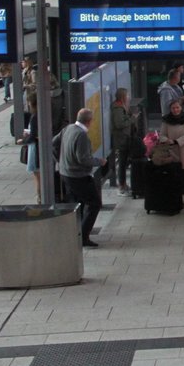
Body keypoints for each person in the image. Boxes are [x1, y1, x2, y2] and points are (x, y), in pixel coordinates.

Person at [59, 108, 106, 248]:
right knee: (95, 203)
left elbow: (55, 144)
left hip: (66, 173)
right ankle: (83, 236)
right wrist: (99, 162)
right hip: (78, 175)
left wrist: (62, 161)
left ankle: (75, 233)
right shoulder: (81, 135)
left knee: (78, 203)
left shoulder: (68, 128)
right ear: (90, 121)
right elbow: (83, 159)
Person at [159, 98, 184, 208]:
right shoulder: (166, 120)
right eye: (173, 108)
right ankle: (175, 197)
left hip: (183, 150)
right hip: (171, 150)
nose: (176, 110)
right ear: (170, 109)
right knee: (173, 175)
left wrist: (176, 141)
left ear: (181, 107)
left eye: (177, 107)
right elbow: (162, 134)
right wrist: (166, 140)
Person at [109, 88, 135, 195]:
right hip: (121, 139)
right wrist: (132, 119)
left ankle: (123, 183)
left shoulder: (122, 107)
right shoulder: (118, 109)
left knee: (124, 162)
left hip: (124, 137)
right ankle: (122, 185)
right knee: (122, 163)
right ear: (123, 97)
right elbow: (120, 124)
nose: (129, 97)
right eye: (127, 95)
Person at [22, 93, 41, 202]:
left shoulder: (34, 117)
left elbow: (33, 137)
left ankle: (39, 197)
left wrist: (23, 140)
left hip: (35, 149)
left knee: (37, 175)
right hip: (39, 146)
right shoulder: (41, 113)